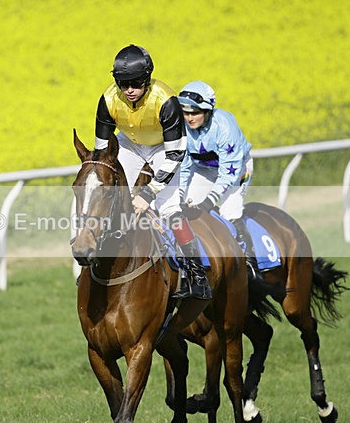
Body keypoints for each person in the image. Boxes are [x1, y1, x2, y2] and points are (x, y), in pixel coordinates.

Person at [94, 44, 211, 300]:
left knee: (169, 209)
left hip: (163, 149)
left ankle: (197, 274)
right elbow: (101, 152)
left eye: (135, 83)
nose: (129, 90)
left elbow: (175, 155)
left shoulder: (165, 100)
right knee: (109, 200)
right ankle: (95, 257)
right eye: (123, 84)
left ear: (147, 79)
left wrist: (148, 193)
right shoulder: (108, 99)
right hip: (129, 146)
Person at [176, 80, 258, 274]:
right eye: (185, 112)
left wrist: (210, 200)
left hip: (236, 170)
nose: (189, 118)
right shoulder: (182, 127)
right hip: (203, 169)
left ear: (207, 111)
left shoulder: (225, 126)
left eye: (194, 112)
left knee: (229, 211)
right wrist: (179, 194)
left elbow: (228, 173)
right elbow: (184, 166)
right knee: (187, 210)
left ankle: (250, 261)